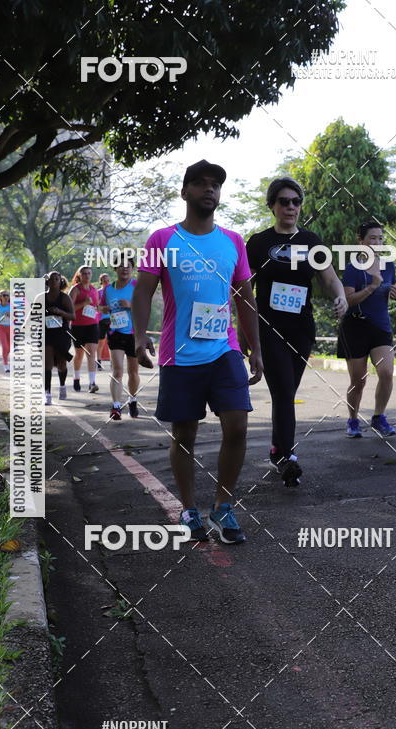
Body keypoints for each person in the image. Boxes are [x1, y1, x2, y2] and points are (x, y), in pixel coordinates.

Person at [132, 159, 263, 544]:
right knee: (184, 434)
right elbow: (143, 291)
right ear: (185, 191)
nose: (210, 190)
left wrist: (254, 348)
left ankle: (223, 506)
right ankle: (189, 509)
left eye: (216, 185)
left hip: (225, 349)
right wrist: (139, 337)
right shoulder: (162, 239)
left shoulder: (233, 241)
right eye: (202, 184)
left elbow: (245, 297)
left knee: (237, 425)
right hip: (180, 353)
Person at [245, 177, 348, 487]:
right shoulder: (259, 242)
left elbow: (329, 279)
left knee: (285, 393)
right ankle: (287, 457)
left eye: (296, 202)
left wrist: (340, 296)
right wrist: (241, 330)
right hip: (269, 327)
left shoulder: (311, 241)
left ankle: (278, 449)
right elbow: (243, 286)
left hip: (302, 328)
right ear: (273, 206)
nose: (290, 206)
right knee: (284, 391)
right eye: (284, 201)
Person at [337, 221, 396, 438]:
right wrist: (373, 286)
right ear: (361, 241)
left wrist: (392, 291)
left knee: (386, 372)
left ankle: (378, 417)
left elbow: (389, 290)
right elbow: (348, 300)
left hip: (380, 326)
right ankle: (353, 420)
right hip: (355, 326)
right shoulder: (353, 268)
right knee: (358, 380)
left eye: (380, 238)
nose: (377, 242)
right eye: (372, 238)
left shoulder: (388, 265)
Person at [100, 257, 139, 420]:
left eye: (128, 266)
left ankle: (133, 400)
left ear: (132, 269)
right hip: (115, 332)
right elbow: (100, 307)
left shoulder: (137, 285)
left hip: (134, 333)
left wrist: (131, 305)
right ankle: (116, 406)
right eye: (121, 266)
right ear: (115, 269)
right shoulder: (108, 289)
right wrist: (104, 308)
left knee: (133, 371)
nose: (125, 269)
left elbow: (145, 306)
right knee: (117, 371)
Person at [44, 271, 75, 405]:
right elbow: (33, 314)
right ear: (47, 282)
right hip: (47, 334)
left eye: (57, 279)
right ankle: (47, 393)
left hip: (62, 334)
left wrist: (60, 312)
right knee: (48, 364)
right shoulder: (42, 297)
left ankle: (62, 385)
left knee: (62, 363)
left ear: (60, 281)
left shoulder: (64, 298)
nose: (54, 281)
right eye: (51, 279)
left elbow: (73, 316)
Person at [69, 266, 100, 393]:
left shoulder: (94, 289)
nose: (87, 276)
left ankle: (92, 383)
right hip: (78, 326)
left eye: (89, 273)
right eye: (84, 273)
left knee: (92, 353)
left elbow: (96, 306)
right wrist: (83, 303)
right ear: (79, 275)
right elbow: (69, 309)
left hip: (92, 324)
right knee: (79, 354)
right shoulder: (75, 289)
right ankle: (76, 378)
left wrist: (99, 309)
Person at [96, 272, 111, 370]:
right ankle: (99, 361)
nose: (106, 282)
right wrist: (104, 308)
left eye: (107, 280)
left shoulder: (113, 291)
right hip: (101, 319)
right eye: (104, 280)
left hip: (112, 318)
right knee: (101, 342)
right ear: (101, 281)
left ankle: (113, 362)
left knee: (112, 341)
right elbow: (97, 306)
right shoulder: (98, 292)